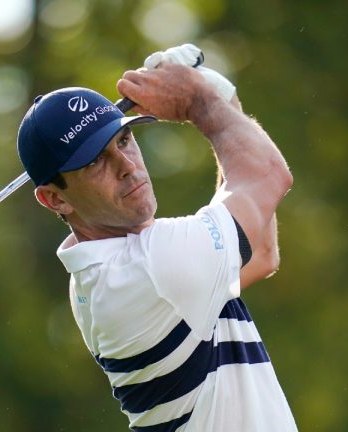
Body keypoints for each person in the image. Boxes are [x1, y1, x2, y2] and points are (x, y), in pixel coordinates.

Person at [17, 47, 297, 431]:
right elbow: (267, 176)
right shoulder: (148, 270)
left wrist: (220, 95)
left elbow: (260, 252)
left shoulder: (105, 271)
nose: (128, 167)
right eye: (95, 161)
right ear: (55, 198)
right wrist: (198, 100)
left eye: (125, 140)